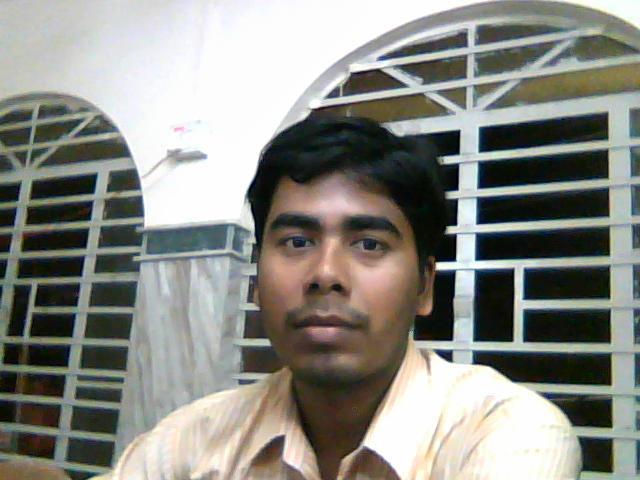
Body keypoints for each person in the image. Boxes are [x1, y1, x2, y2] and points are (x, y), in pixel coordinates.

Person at [109, 116, 581, 479]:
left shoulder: (506, 433)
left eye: (369, 244)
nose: (325, 274)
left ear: (424, 286)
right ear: (256, 282)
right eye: (297, 241)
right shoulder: (191, 441)